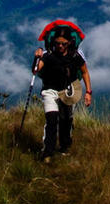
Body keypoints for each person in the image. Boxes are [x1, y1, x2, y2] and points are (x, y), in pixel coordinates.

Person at [34, 25, 92, 161]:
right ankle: (48, 152)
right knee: (52, 119)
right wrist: (37, 57)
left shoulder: (75, 56)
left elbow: (84, 72)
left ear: (70, 43)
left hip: (69, 90)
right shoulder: (47, 56)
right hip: (50, 91)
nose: (60, 46)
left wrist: (88, 92)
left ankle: (64, 147)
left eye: (63, 44)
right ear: (53, 42)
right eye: (58, 43)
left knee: (66, 119)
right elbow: (36, 70)